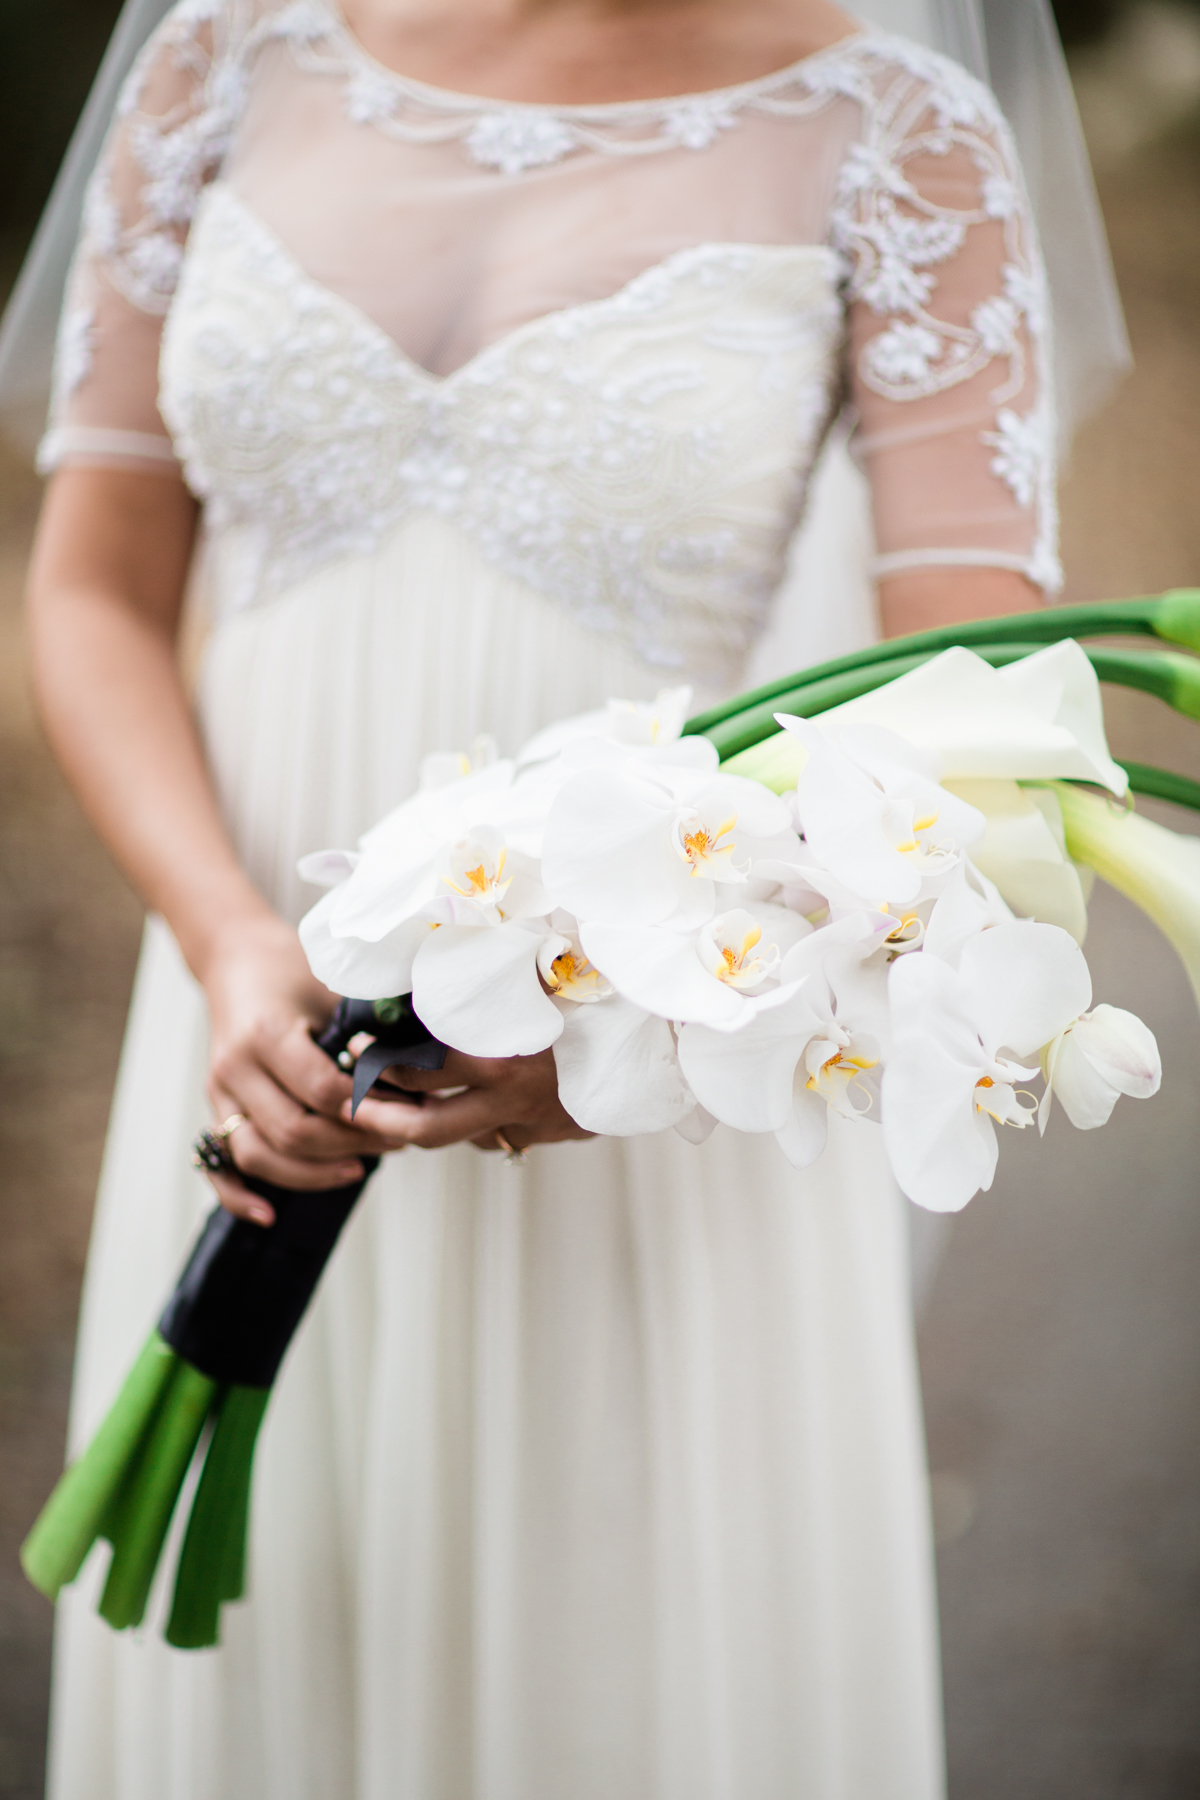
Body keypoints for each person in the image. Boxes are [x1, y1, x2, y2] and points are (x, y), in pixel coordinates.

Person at [11, 0, 1106, 1793]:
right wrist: (221, 934)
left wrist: (623, 1050)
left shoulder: (896, 135)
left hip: (665, 1081)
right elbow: (95, 592)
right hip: (251, 1033)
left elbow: (967, 732)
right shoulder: (227, 61)